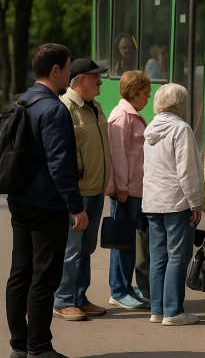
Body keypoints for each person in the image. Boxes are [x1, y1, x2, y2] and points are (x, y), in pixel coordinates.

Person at [6, 44, 88, 358]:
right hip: (46, 205)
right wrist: (76, 207)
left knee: (20, 273)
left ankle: (19, 346)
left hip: (20, 198)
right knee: (44, 276)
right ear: (55, 70)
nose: (71, 72)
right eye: (68, 67)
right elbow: (59, 164)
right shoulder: (53, 109)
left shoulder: (23, 101)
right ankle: (39, 348)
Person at [52, 59, 111, 322]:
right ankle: (63, 300)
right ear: (81, 80)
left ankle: (79, 298)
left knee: (85, 248)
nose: (101, 81)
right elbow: (61, 157)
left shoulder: (95, 107)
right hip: (78, 193)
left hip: (95, 190)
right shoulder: (65, 108)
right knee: (71, 249)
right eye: (96, 76)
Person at [143, 83, 204, 325]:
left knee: (158, 257)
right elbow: (186, 171)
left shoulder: (150, 128)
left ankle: (157, 310)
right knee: (178, 256)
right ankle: (173, 311)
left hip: (152, 202)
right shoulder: (181, 129)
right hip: (176, 202)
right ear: (179, 104)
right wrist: (195, 202)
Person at [105, 70, 152, 310]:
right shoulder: (122, 115)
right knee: (122, 242)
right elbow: (118, 155)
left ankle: (124, 286)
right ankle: (118, 290)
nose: (149, 97)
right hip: (128, 191)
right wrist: (121, 187)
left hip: (133, 189)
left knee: (128, 242)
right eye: (146, 93)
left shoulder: (129, 114)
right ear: (133, 92)